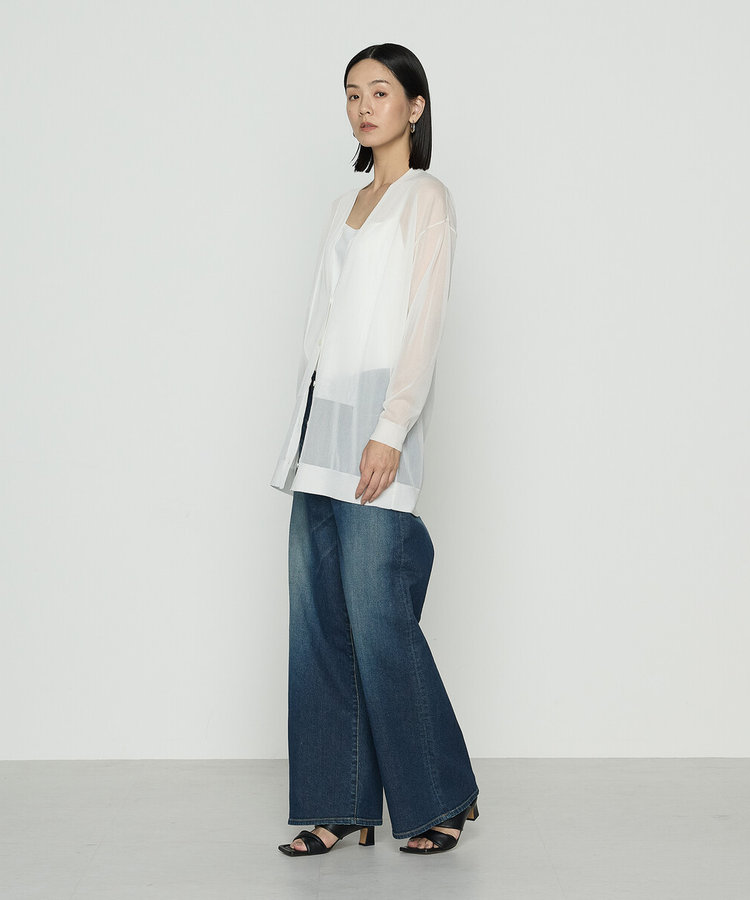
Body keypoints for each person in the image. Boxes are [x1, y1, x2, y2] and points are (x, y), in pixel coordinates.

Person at [270, 42, 479, 856]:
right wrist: (299, 434)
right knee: (318, 620)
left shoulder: (427, 199)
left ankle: (440, 796)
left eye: (381, 92)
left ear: (415, 107)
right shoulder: (345, 204)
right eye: (353, 93)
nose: (364, 106)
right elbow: (321, 329)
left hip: (375, 423)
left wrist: (391, 429)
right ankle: (338, 802)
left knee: (378, 613)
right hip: (319, 427)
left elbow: (422, 321)